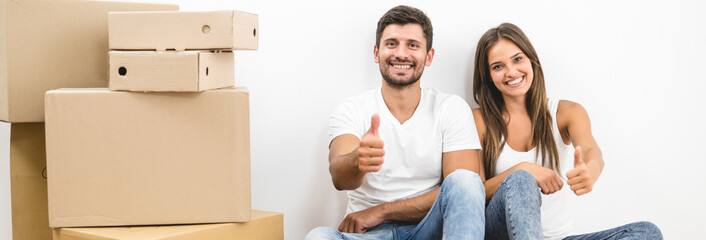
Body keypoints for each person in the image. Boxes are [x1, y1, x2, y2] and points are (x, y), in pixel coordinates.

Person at [306, 5, 486, 240]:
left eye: (413, 45)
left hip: (428, 229)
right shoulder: (352, 110)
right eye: (391, 44)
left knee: (466, 180)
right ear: (376, 53)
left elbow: (463, 190)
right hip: (367, 234)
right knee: (318, 236)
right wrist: (357, 160)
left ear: (428, 56)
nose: (401, 54)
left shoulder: (450, 108)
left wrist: (381, 211)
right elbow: (340, 179)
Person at [471, 22, 662, 240]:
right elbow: (475, 193)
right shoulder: (479, 120)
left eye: (517, 59)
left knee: (647, 232)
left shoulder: (567, 112)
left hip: (560, 237)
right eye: (498, 66)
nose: (511, 71)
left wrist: (591, 170)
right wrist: (523, 169)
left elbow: (592, 151)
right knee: (520, 179)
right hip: (503, 234)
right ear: (488, 76)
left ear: (532, 60)